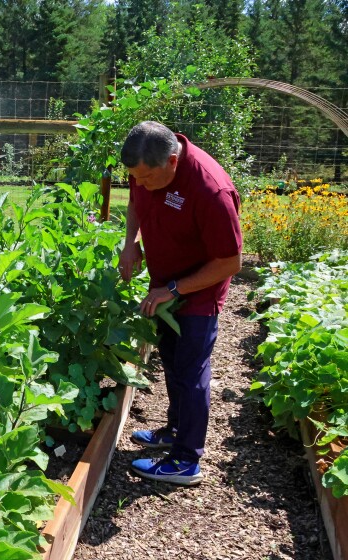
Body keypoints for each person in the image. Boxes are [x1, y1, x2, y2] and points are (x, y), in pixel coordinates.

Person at [118, 121, 242, 486]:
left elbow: (230, 262)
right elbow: (136, 205)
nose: (139, 184)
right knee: (171, 358)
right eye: (134, 177)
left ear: (173, 161)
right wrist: (131, 243)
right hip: (164, 285)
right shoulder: (146, 167)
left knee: (190, 372)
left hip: (199, 290)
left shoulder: (211, 190)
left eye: (147, 178)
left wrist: (174, 289)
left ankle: (187, 460)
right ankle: (174, 430)